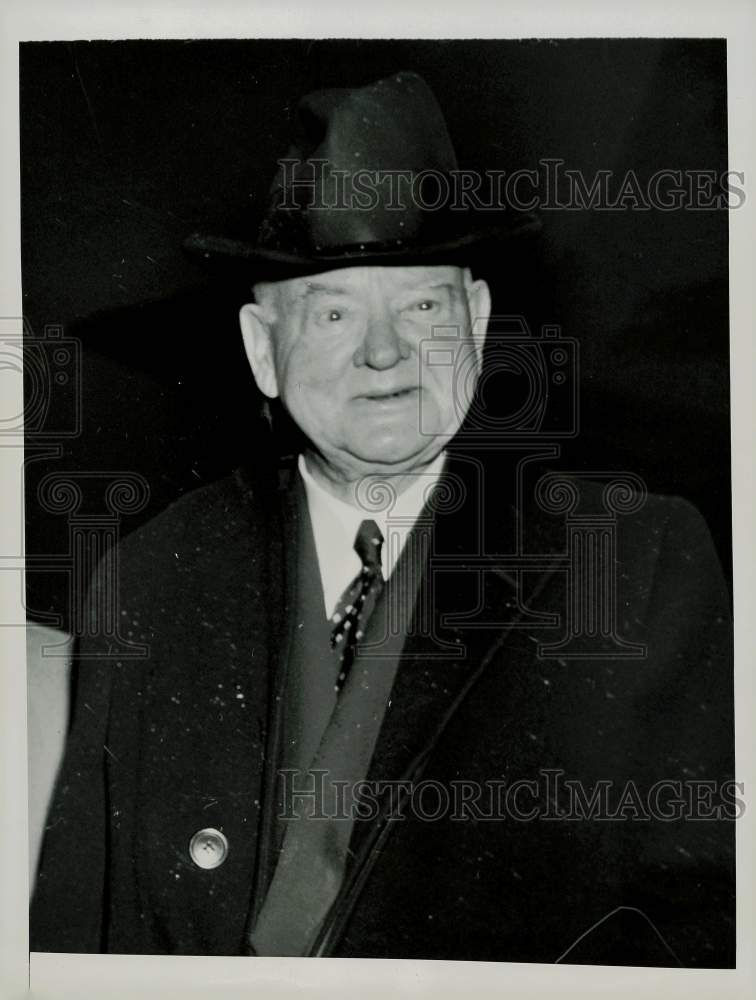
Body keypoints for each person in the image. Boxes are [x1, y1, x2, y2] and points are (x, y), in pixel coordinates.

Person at [30, 71, 735, 965]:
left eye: (422, 305)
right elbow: (75, 937)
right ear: (262, 352)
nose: (384, 351)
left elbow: (709, 929)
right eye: (331, 311)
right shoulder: (153, 575)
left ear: (475, 323)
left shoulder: (634, 558)